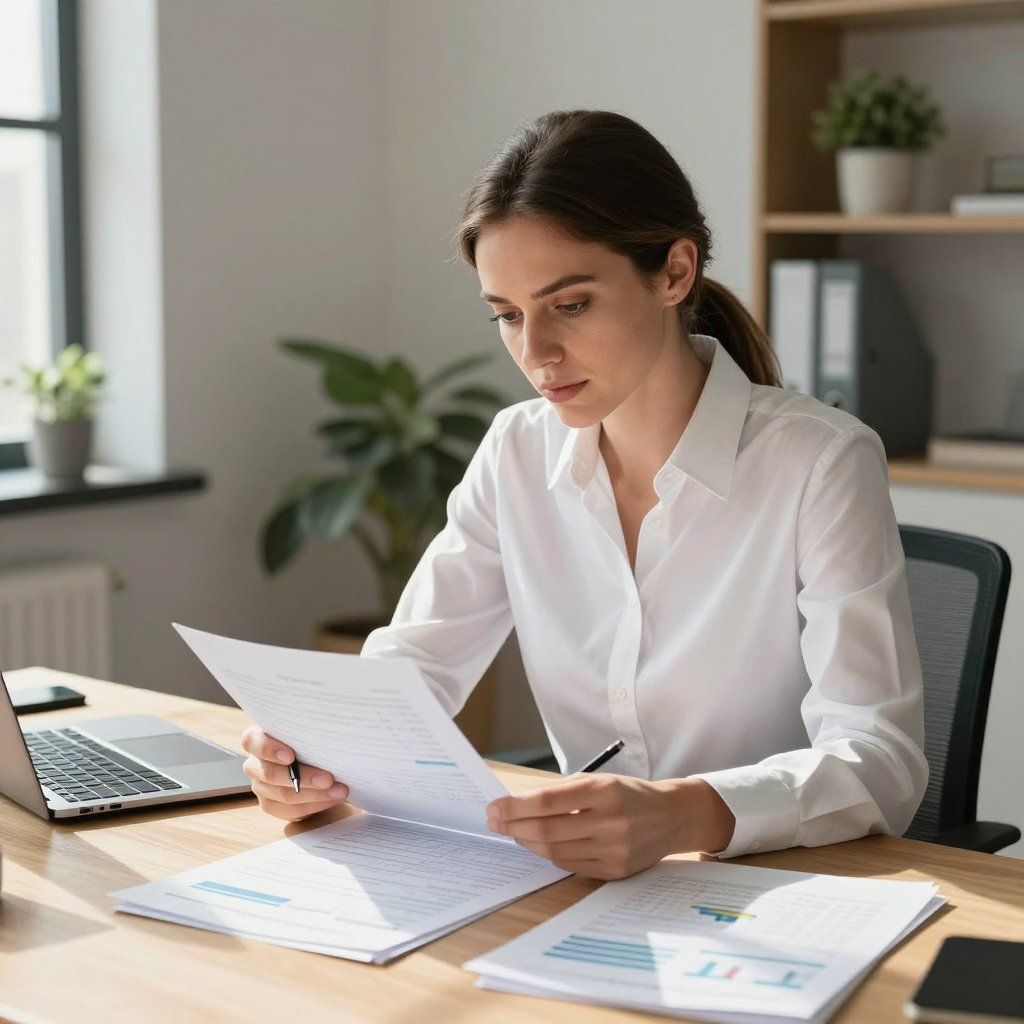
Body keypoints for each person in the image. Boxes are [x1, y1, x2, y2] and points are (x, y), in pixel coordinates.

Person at [240, 108, 928, 881]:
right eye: (508, 315)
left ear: (674, 272)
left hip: (783, 890)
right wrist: (316, 752)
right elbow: (413, 668)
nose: (535, 353)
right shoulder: (516, 451)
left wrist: (681, 812)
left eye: (570, 305)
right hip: (584, 888)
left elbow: (880, 761)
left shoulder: (821, 461)